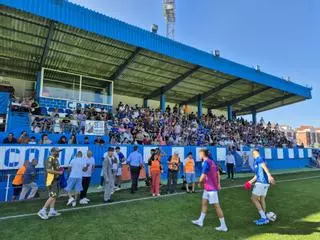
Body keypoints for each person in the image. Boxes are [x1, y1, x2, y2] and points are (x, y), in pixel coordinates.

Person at [192, 148, 228, 232]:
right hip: (208, 188)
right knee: (204, 203)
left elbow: (203, 175)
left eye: (200, 154)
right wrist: (219, 183)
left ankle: (223, 226)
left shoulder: (206, 163)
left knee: (217, 206)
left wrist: (199, 182)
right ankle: (200, 221)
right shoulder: (211, 162)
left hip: (211, 189)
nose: (199, 155)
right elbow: (217, 173)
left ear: (203, 154)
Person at [247, 149, 275, 225]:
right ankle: (264, 217)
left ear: (255, 153)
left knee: (253, 198)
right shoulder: (258, 161)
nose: (252, 156)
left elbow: (264, 166)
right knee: (262, 199)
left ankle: (263, 218)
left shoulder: (259, 159)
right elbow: (257, 175)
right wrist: (250, 182)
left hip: (261, 182)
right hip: (265, 183)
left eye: (253, 154)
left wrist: (269, 175)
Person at [38, 148, 63, 220]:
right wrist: (59, 172)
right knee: (53, 195)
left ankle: (52, 211)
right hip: (51, 180)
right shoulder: (50, 159)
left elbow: (55, 169)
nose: (58, 152)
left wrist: (59, 171)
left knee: (54, 195)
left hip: (55, 180)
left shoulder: (55, 159)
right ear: (52, 152)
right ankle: (42, 210)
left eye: (58, 151)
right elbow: (48, 170)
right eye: (56, 151)